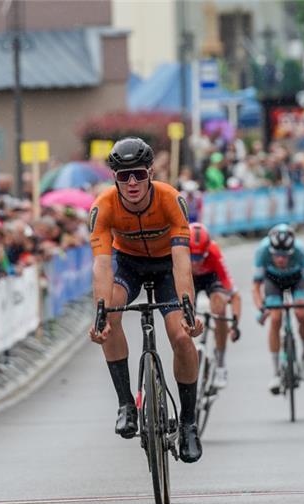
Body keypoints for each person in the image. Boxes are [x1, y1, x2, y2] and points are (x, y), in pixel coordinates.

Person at [88, 137, 204, 463]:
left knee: (181, 335)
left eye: (138, 174)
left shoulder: (170, 199)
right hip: (129, 267)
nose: (133, 182)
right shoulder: (104, 206)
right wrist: (100, 314)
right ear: (115, 178)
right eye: (124, 176)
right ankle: (126, 403)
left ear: (151, 172)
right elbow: (101, 264)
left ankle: (188, 422)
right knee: (110, 318)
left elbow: (182, 260)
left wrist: (187, 308)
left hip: (167, 266)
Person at [253, 223, 304, 391]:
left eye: (285, 256)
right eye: (276, 255)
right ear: (271, 250)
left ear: (292, 251)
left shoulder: (302, 252)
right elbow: (256, 286)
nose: (281, 259)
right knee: (275, 319)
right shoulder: (262, 251)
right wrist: (261, 307)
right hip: (273, 281)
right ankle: (276, 373)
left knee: (301, 313)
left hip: (297, 280)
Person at [188, 222, 241, 389]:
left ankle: (220, 364)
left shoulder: (214, 252)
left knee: (219, 306)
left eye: (200, 257)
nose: (196, 263)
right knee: (183, 310)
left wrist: (235, 324)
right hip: (189, 278)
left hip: (212, 277)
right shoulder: (179, 250)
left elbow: (234, 294)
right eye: (192, 257)